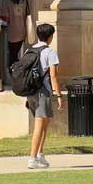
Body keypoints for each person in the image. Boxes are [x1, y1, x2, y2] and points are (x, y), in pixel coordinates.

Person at [25, 23, 60, 170]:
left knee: (45, 124)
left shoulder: (29, 50)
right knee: (39, 126)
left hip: (31, 92)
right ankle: (32, 158)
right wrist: (58, 94)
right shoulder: (50, 52)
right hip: (42, 92)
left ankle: (40, 154)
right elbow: (53, 75)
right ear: (50, 36)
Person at [2, 0, 34, 66]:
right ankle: (17, 71)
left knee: (13, 55)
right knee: (15, 54)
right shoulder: (24, 0)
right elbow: (28, 14)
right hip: (22, 32)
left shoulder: (7, 1)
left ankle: (14, 72)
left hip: (12, 33)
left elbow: (6, 18)